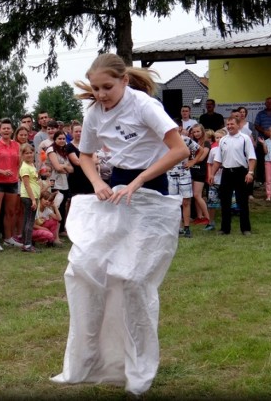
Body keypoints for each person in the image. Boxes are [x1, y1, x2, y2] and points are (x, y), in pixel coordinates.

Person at [51, 53, 190, 395]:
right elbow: (84, 155)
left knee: (133, 279)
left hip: (151, 188)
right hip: (118, 189)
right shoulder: (95, 113)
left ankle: (138, 366)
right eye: (96, 88)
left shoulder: (144, 106)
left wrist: (138, 182)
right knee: (86, 267)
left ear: (125, 81)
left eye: (107, 87)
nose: (100, 94)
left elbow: (179, 149)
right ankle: (93, 360)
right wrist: (98, 182)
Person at [208, 116, 257, 235]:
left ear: (238, 125)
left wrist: (250, 172)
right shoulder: (223, 140)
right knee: (225, 202)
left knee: (242, 201)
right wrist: (212, 174)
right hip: (226, 172)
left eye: (232, 124)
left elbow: (251, 157)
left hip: (241, 172)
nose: (229, 126)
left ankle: (245, 228)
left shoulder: (245, 139)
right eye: (228, 124)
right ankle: (225, 229)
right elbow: (218, 160)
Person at [0, 118, 21, 250]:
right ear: (0, 130)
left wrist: (17, 173)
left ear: (12, 130)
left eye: (8, 128)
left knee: (11, 211)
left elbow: (19, 162)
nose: (6, 130)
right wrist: (2, 171)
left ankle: (8, 238)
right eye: (4, 128)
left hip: (12, 182)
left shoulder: (16, 145)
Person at [167, 118, 201, 238]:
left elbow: (200, 150)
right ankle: (177, 227)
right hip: (170, 175)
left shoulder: (185, 140)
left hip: (184, 174)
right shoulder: (164, 141)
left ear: (180, 128)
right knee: (173, 203)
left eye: (176, 127)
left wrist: (193, 162)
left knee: (186, 201)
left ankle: (186, 227)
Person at [46, 130, 73, 241]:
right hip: (54, 182)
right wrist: (64, 166)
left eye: (63, 139)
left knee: (62, 208)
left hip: (64, 182)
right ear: (55, 139)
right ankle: (54, 234)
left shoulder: (65, 150)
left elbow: (71, 169)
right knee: (55, 206)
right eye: (59, 139)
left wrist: (64, 167)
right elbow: (57, 167)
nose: (62, 141)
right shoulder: (51, 149)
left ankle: (61, 230)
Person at [19, 143, 40, 252]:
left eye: (31, 152)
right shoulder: (25, 167)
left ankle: (25, 242)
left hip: (33, 196)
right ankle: (27, 244)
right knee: (30, 221)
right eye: (26, 153)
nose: (29, 155)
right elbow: (27, 184)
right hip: (28, 197)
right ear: (22, 155)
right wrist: (33, 199)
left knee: (28, 219)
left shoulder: (32, 165)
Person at [187, 123, 210, 225]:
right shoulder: (192, 142)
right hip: (192, 170)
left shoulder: (206, 143)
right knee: (195, 195)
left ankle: (207, 217)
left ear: (202, 131)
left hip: (200, 171)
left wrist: (191, 162)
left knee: (197, 195)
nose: (196, 134)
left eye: (198, 131)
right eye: (194, 132)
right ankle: (199, 217)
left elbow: (201, 158)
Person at [205, 129, 226, 231]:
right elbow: (209, 164)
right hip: (214, 179)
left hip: (225, 179)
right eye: (217, 137)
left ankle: (225, 223)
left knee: (225, 202)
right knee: (211, 202)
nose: (218, 139)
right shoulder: (213, 150)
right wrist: (210, 175)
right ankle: (210, 222)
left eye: (220, 137)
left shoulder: (228, 149)